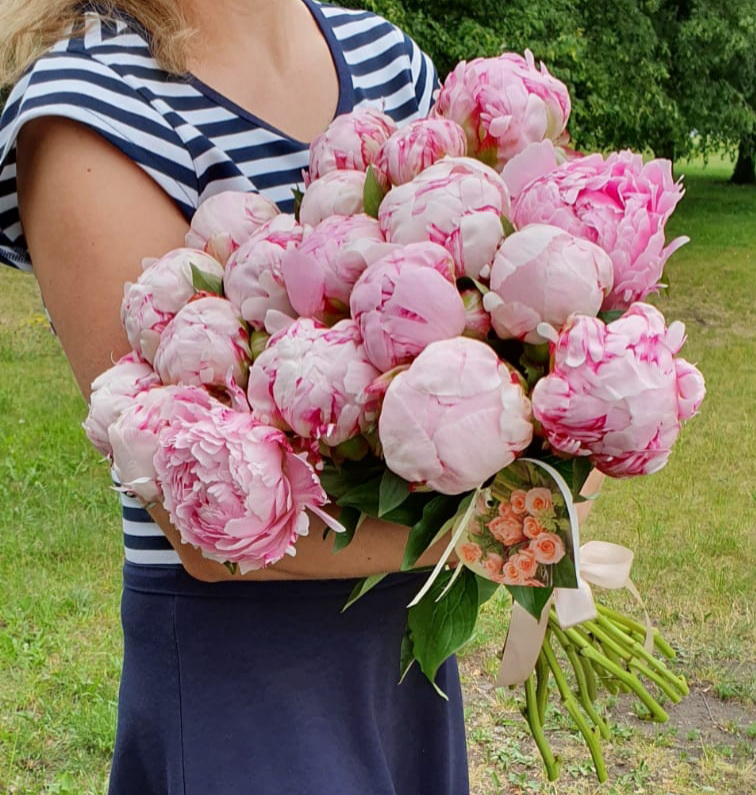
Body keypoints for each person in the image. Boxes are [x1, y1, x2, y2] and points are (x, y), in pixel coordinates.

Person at [0, 1, 471, 793]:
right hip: (247, 687)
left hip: (404, 661)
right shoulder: (92, 100)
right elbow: (203, 521)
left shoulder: (386, 60)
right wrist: (514, 525)